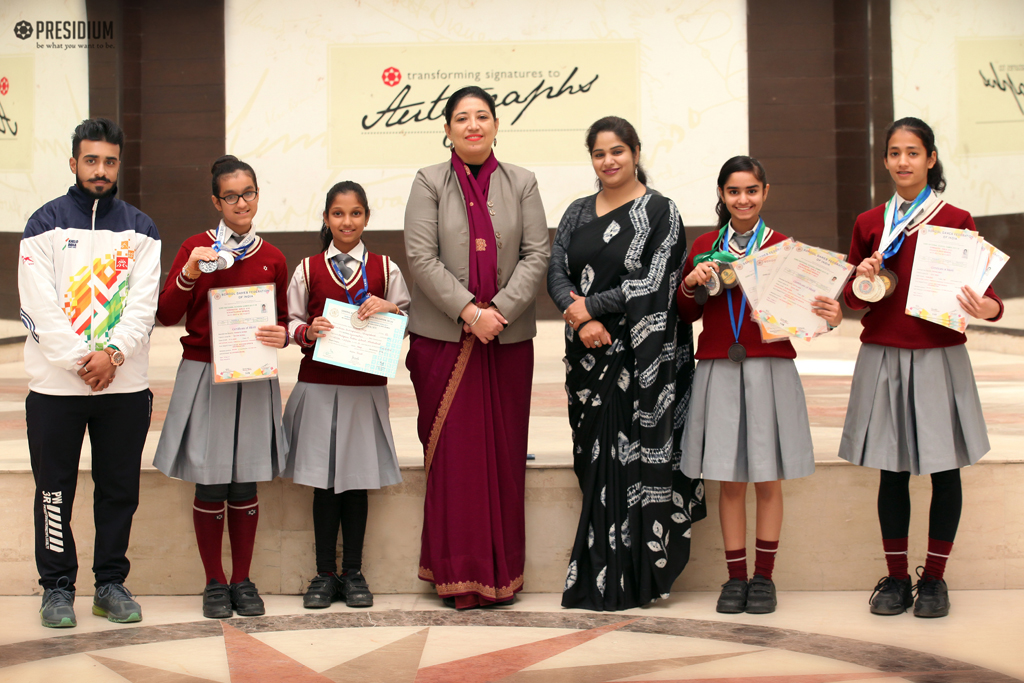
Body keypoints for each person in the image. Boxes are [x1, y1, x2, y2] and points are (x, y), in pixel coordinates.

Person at [838, 117, 1003, 618]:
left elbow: (989, 298)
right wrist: (862, 276)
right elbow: (850, 299)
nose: (903, 161)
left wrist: (986, 310)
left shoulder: (956, 218)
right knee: (892, 471)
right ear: (885, 160)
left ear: (930, 159)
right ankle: (894, 579)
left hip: (939, 355)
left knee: (943, 469)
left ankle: (933, 579)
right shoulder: (870, 222)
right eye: (894, 153)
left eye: (913, 152)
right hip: (884, 353)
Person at [547, 116, 706, 611]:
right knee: (593, 461)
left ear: (636, 151)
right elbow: (557, 271)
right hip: (587, 357)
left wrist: (593, 308)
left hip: (640, 360)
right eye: (599, 153)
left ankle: (637, 577)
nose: (609, 161)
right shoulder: (576, 212)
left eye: (618, 151)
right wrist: (578, 318)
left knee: (635, 462)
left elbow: (658, 280)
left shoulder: (661, 211)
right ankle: (600, 571)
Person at [404, 86, 550, 609]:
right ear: (446, 129)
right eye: (461, 118)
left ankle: (501, 574)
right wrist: (470, 312)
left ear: (495, 125)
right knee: (456, 461)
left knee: (504, 459)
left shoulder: (523, 182)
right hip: (446, 338)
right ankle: (456, 573)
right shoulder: (428, 182)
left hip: (507, 342)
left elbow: (537, 254)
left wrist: (498, 313)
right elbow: (420, 258)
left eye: (482, 116)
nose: (472, 125)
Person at [678, 156, 842, 615]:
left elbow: (813, 315)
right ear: (722, 196)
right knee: (730, 480)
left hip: (770, 367)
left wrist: (829, 317)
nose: (742, 199)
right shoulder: (706, 246)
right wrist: (690, 283)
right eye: (733, 192)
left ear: (765, 192)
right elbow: (687, 313)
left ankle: (764, 578)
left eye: (751, 190)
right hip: (718, 368)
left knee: (767, 478)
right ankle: (735, 579)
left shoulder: (786, 249)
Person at [19, 117, 161, 628]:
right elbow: (36, 308)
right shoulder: (43, 224)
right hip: (56, 389)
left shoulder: (141, 228)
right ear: (74, 161)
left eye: (110, 160)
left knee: (118, 488)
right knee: (54, 490)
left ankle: (110, 584)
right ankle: (56, 588)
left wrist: (114, 357)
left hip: (123, 388)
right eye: (91, 159)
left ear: (119, 164)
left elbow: (144, 308)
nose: (100, 170)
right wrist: (84, 361)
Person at [153, 155, 289, 619]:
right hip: (204, 373)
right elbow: (167, 314)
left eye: (248, 193)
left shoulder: (272, 258)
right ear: (216, 201)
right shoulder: (196, 248)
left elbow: (284, 321)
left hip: (252, 376)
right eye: (230, 196)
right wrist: (190, 271)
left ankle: (242, 580)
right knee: (211, 483)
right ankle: (214, 581)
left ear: (257, 194)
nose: (241, 203)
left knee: (245, 478)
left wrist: (283, 334)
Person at [284, 181, 410, 609]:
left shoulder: (386, 269)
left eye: (355, 213)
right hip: (318, 386)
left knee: (356, 484)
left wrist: (390, 308)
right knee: (324, 484)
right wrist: (306, 331)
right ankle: (324, 575)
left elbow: (407, 317)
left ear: (367, 218)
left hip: (364, 390)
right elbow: (289, 323)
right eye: (338, 214)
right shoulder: (307, 269)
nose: (347, 221)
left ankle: (353, 573)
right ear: (326, 219)